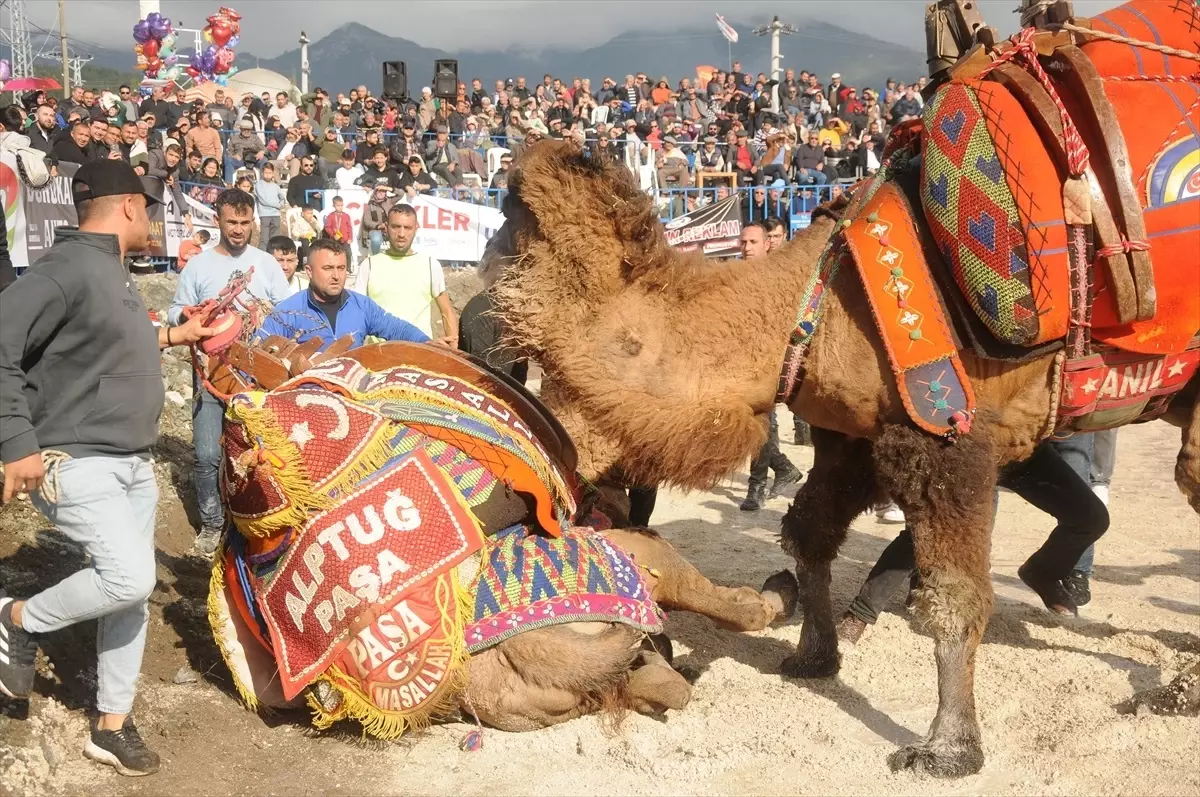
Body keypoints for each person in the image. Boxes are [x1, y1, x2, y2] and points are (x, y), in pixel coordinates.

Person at [0, 160, 215, 777]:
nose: (151, 219)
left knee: (131, 597)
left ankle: (110, 727)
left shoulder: (110, 272)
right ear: (127, 206)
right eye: (147, 207)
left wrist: (175, 337)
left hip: (128, 460)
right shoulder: (67, 269)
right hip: (77, 457)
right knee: (128, 578)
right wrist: (16, 441)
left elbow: (103, 345)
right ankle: (16, 618)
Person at [839, 438, 1110, 642]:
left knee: (1091, 518)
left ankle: (1043, 572)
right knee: (937, 528)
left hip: (1024, 446)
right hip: (969, 445)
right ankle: (861, 612)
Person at [168, 189, 292, 557]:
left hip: (256, 377)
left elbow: (286, 312)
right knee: (207, 454)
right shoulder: (198, 266)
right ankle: (211, 524)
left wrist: (266, 315)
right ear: (217, 221)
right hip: (210, 372)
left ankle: (256, 524)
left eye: (243, 222)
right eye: (230, 222)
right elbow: (174, 311)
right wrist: (190, 316)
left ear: (253, 221)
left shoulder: (266, 264)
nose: (237, 230)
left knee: (259, 455)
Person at [258, 239, 431, 348]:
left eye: (341, 268)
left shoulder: (361, 305)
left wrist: (428, 343)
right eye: (328, 268)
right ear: (309, 271)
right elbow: (256, 350)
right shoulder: (287, 311)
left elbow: (395, 328)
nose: (336, 276)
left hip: (354, 396)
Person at [738, 222, 802, 511]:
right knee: (756, 424)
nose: (746, 248)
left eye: (753, 242)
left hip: (772, 362)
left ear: (767, 244)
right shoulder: (737, 277)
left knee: (762, 423)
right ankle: (783, 467)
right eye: (743, 242)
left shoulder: (779, 278)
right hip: (743, 360)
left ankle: (756, 487)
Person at [352, 204, 457, 345]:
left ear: (415, 229)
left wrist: (454, 349)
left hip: (420, 354)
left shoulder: (430, 265)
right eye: (396, 227)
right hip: (378, 357)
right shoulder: (368, 266)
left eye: (407, 228)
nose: (401, 234)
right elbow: (357, 315)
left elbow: (446, 312)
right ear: (386, 227)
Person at [255, 162, 283, 244]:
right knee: (264, 239)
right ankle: (262, 255)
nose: (268, 175)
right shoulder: (258, 185)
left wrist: (281, 203)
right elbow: (263, 200)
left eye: (270, 173)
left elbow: (282, 197)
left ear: (273, 173)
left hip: (276, 214)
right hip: (265, 214)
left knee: (275, 239)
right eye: (266, 173)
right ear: (262, 173)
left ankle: (274, 255)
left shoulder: (276, 186)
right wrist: (278, 205)